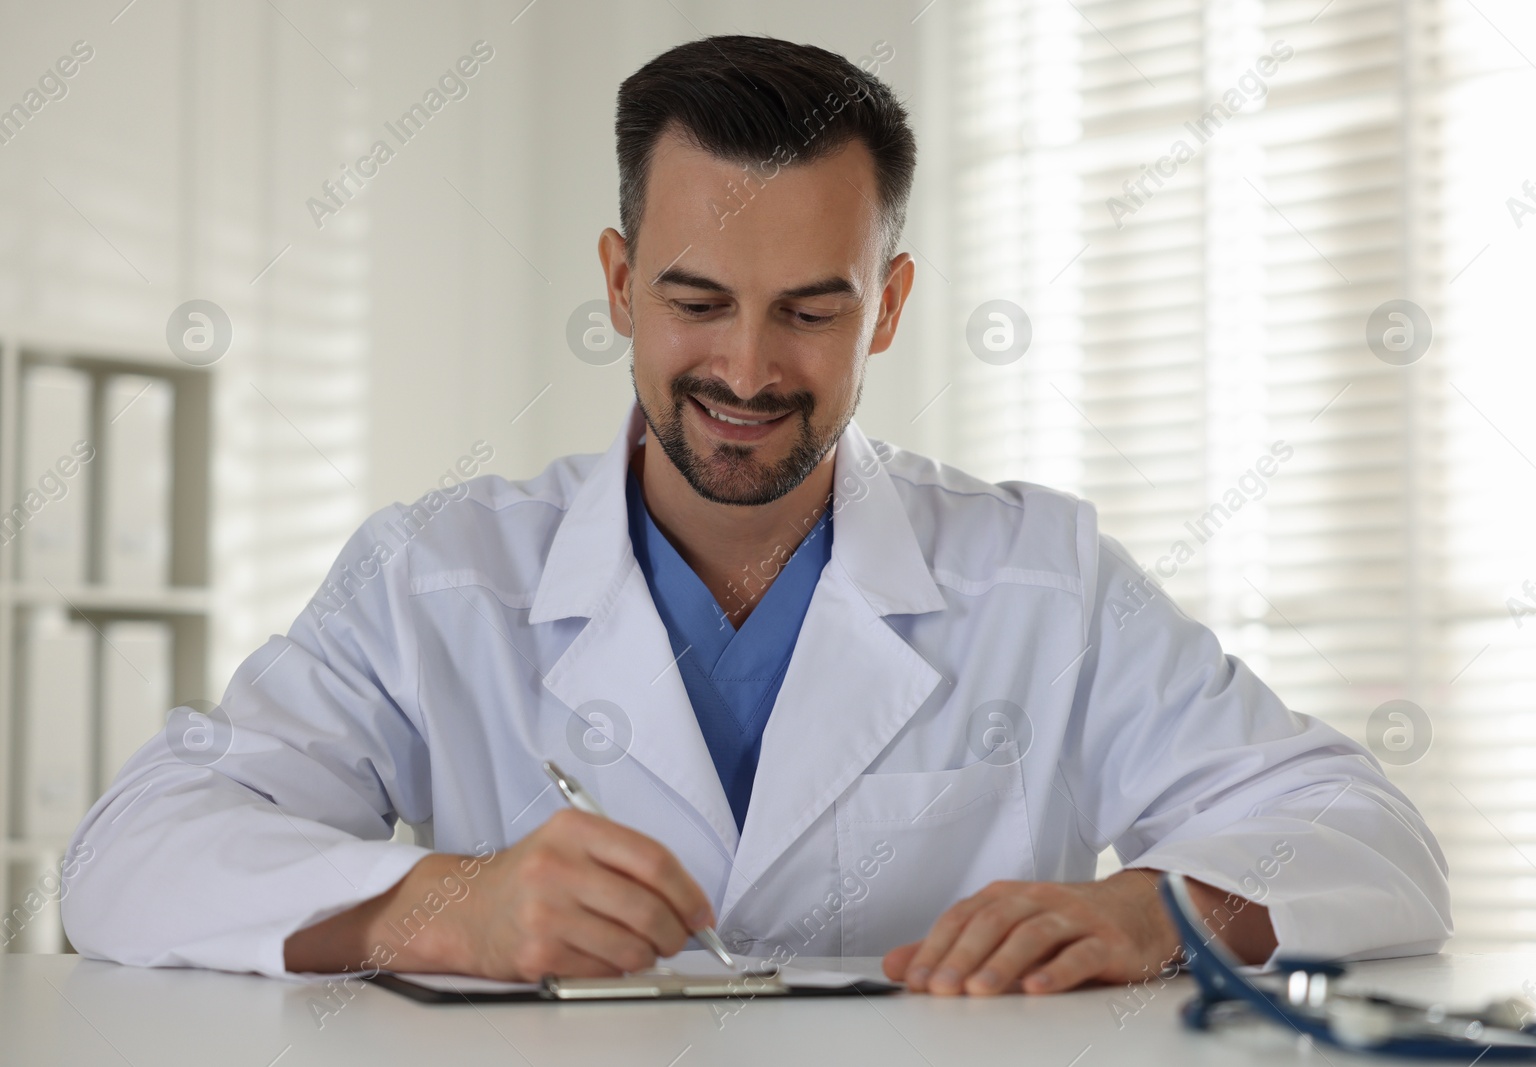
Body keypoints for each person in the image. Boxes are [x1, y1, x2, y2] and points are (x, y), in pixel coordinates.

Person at [63, 34, 1449, 996]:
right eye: (694, 301)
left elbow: (1370, 838)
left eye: (811, 309)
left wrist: (1165, 914)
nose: (745, 369)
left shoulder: (1045, 577)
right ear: (618, 285)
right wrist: (442, 906)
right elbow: (129, 859)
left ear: (889, 307)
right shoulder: (437, 574)